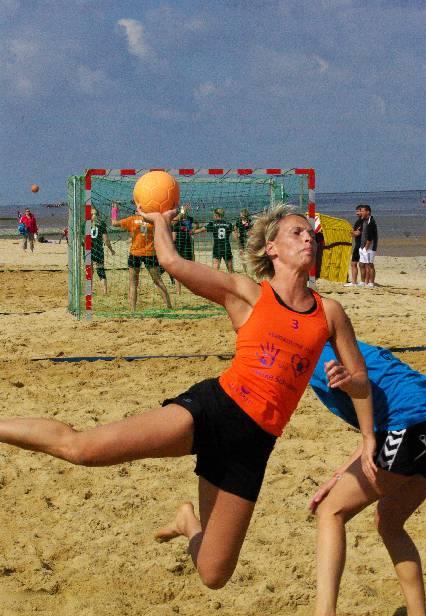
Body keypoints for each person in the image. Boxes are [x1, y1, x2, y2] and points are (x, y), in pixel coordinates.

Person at [0, 204, 375, 591]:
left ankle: (186, 521)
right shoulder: (247, 293)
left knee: (214, 574)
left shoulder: (330, 313)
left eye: (309, 232)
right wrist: (161, 223)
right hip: (214, 411)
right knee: (83, 450)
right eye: (296, 232)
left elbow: (363, 381)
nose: (308, 237)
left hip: (254, 444)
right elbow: (172, 262)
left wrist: (354, 394)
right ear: (271, 249)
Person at [278, 339, 426, 616]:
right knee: (389, 522)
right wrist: (339, 474)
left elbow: (369, 403)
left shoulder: (317, 357)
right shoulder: (350, 348)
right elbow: (376, 428)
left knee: (331, 511)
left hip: (409, 427)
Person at [111, 210, 172, 312]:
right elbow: (167, 225)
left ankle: (133, 310)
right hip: (150, 253)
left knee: (133, 283)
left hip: (135, 253)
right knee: (158, 281)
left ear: (137, 210)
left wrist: (114, 210)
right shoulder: (153, 220)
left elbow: (114, 223)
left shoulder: (132, 219)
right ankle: (169, 306)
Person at [195, 208, 235, 273]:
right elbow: (235, 236)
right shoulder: (229, 224)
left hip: (217, 248)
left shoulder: (212, 224)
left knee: (215, 269)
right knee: (230, 270)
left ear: (216, 215)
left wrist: (192, 232)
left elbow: (201, 230)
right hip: (226, 247)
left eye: (213, 214)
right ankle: (232, 278)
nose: (213, 216)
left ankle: (215, 279)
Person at [90, 207, 115, 295]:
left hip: (89, 250)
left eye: (94, 214)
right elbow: (106, 240)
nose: (94, 216)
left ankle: (89, 291)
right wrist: (111, 250)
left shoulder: (85, 224)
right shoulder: (101, 224)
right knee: (100, 270)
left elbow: (82, 240)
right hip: (98, 250)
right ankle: (104, 291)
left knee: (89, 271)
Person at [357, 205, 378, 288]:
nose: (360, 212)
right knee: (361, 264)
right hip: (362, 246)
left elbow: (370, 237)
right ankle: (362, 282)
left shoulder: (371, 222)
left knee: (370, 265)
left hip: (370, 247)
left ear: (368, 212)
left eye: (362, 211)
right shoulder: (363, 220)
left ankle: (371, 283)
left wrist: (366, 247)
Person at [344, 206, 363, 287]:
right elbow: (355, 233)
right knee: (361, 264)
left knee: (354, 263)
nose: (357, 213)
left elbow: (357, 233)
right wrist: (352, 232)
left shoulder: (362, 222)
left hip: (360, 245)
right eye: (356, 211)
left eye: (358, 211)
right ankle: (363, 282)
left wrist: (348, 232)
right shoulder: (360, 221)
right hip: (360, 244)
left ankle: (355, 282)